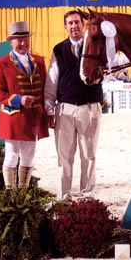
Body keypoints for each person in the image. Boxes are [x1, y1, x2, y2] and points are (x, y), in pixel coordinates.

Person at [44, 10, 104, 200]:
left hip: (90, 107)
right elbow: (52, 81)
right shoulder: (58, 50)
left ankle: (87, 195)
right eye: (70, 23)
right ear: (65, 27)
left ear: (83, 25)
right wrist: (49, 109)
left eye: (77, 22)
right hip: (65, 108)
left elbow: (106, 71)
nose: (74, 26)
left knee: (89, 155)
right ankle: (65, 195)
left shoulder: (96, 45)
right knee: (64, 157)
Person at [0, 21, 49, 189]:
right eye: (18, 40)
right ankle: (10, 194)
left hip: (32, 118)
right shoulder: (1, 64)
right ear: (11, 42)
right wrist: (19, 99)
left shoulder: (39, 61)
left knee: (29, 155)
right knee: (11, 155)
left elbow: (44, 88)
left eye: (25, 39)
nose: (23, 43)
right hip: (13, 118)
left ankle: (23, 192)